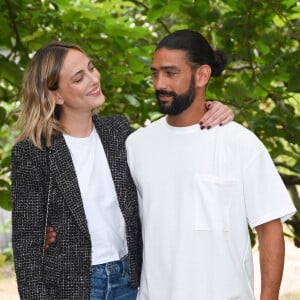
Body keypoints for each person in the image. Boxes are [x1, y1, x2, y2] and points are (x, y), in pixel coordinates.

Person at [11, 41, 233, 300]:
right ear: (57, 95)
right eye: (79, 78)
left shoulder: (119, 132)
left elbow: (170, 141)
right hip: (72, 285)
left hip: (129, 280)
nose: (94, 79)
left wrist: (211, 106)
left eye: (91, 68)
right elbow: (27, 244)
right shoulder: (34, 151)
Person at [125, 29, 297, 300]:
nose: (159, 83)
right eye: (155, 73)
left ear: (202, 75)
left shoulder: (240, 143)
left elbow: (269, 227)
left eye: (170, 73)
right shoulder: (136, 145)